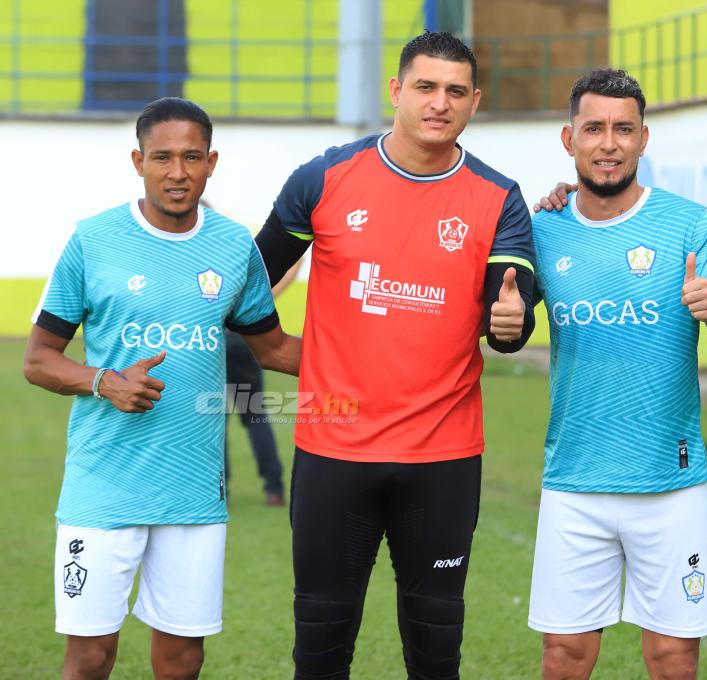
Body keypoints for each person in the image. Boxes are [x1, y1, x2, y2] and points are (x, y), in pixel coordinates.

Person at [253, 32, 536, 679]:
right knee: (319, 654)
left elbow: (510, 317)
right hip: (334, 452)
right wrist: (274, 347)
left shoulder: (499, 197)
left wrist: (511, 324)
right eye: (425, 87)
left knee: (437, 657)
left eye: (455, 91)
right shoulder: (323, 178)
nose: (439, 103)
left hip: (443, 460)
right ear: (396, 91)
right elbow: (250, 280)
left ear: (475, 101)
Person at [23, 97, 301, 680]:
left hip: (193, 493)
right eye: (163, 157)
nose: (178, 172)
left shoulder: (234, 246)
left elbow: (275, 349)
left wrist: (381, 362)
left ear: (211, 163)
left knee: (181, 659)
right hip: (104, 486)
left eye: (192, 157)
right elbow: (39, 360)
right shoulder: (93, 239)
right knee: (90, 656)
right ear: (138, 161)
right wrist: (105, 382)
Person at [528, 69, 707, 680]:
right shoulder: (542, 227)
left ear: (643, 138)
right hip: (575, 478)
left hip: (670, 483)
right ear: (569, 138)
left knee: (674, 657)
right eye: (594, 129)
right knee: (564, 655)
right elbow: (506, 328)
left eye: (623, 129)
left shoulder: (690, 224)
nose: (609, 143)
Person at [223, 260, 301, 507]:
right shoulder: (251, 276)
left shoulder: (214, 273)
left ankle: (220, 490)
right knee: (255, 417)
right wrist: (297, 263)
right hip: (246, 341)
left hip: (218, 343)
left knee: (215, 419)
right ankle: (274, 489)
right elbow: (276, 287)